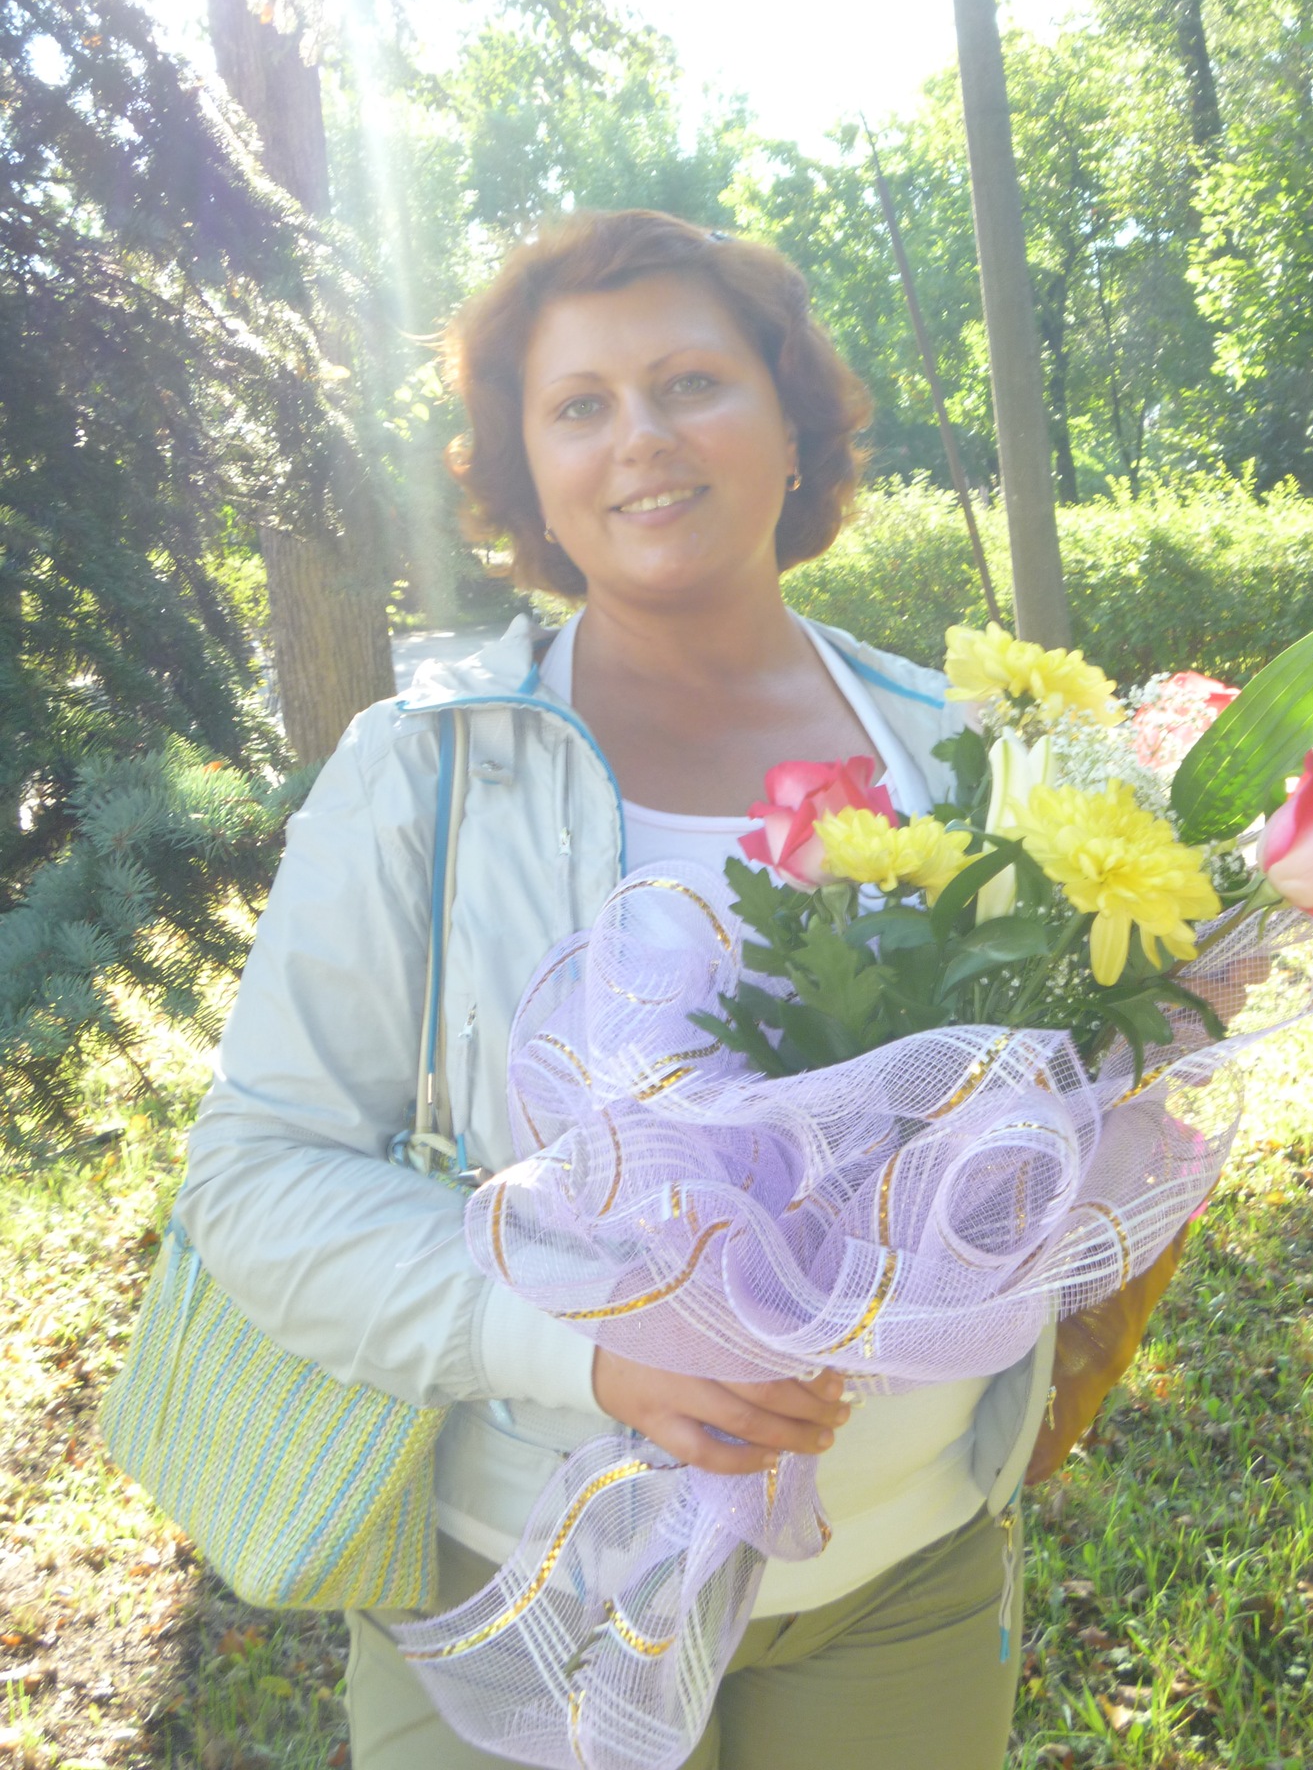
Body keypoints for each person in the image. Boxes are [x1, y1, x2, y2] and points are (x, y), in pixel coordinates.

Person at [177, 209, 1060, 1770]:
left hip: (900, 1576)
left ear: (791, 419)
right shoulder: (425, 773)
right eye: (579, 404)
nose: (641, 437)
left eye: (691, 382)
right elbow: (256, 1178)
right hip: (528, 1589)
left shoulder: (967, 755)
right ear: (528, 475)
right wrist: (588, 1350)